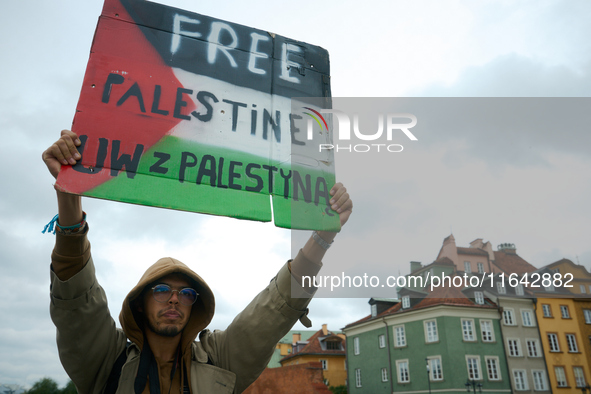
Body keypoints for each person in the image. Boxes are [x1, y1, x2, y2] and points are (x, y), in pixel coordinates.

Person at [42, 130, 353, 394]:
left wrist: (323, 237)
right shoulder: (108, 362)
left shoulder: (219, 361)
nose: (175, 298)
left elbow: (274, 309)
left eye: (187, 294)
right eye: (162, 289)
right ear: (140, 302)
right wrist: (69, 191)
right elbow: (76, 304)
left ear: (196, 306)